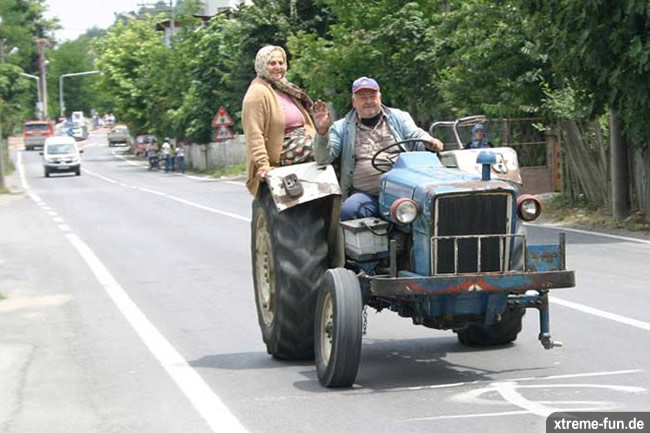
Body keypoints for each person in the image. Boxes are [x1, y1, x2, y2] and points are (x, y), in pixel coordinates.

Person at [312, 76, 444, 220]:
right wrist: (322, 133)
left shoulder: (399, 117)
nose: (369, 101)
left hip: (403, 193)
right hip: (368, 195)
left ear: (380, 98)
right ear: (354, 101)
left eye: (372, 96)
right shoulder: (341, 127)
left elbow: (415, 133)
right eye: (363, 97)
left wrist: (430, 141)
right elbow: (323, 159)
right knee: (348, 211)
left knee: (434, 206)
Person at [242, 45, 316, 196]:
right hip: (283, 148)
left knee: (337, 145)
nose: (278, 67)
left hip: (303, 140)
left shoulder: (285, 88)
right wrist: (263, 164)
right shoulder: (257, 92)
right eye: (272, 63)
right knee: (321, 149)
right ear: (262, 65)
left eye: (281, 63)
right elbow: (254, 133)